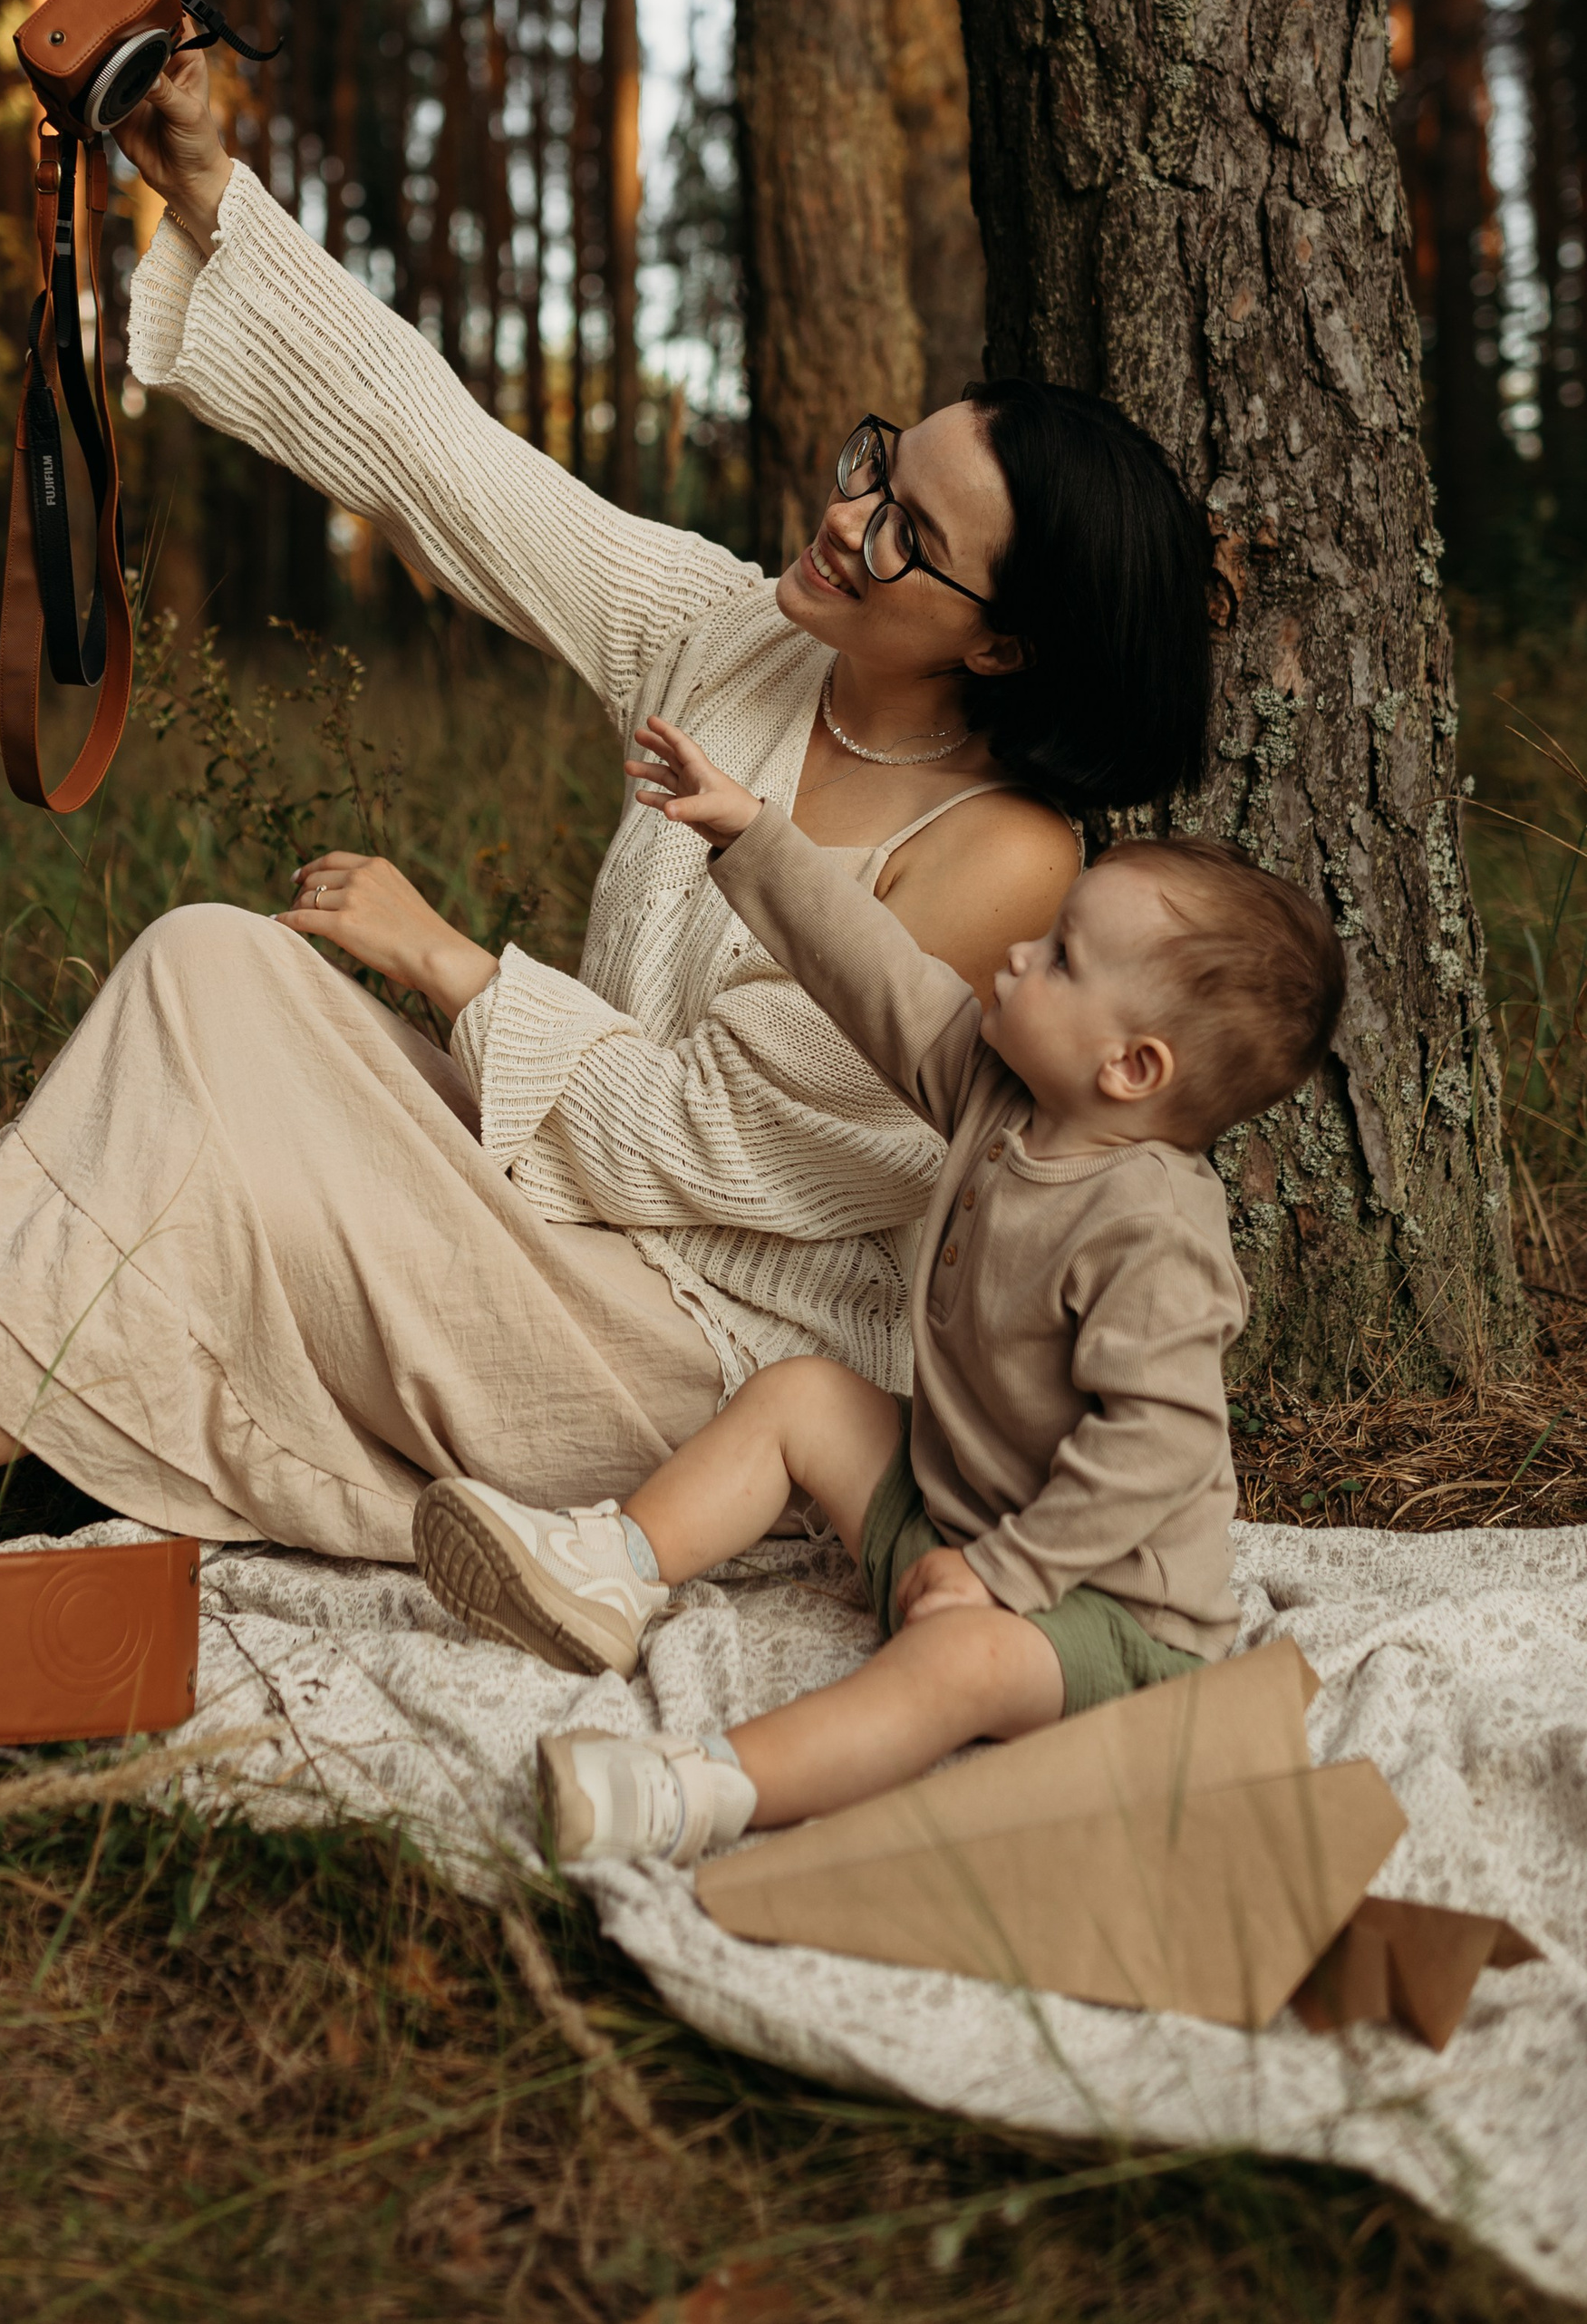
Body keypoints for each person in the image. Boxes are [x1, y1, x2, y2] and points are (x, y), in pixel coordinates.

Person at [0, 50, 1220, 1593]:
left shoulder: (1005, 865)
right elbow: (450, 459)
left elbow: (727, 1152)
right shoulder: (729, 635)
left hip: (701, 1367)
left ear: (1006, 638)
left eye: (909, 530)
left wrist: (447, 965)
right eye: (879, 460)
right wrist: (212, 195)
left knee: (235, 1089)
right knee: (206, 969)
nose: (848, 515)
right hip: (561, 1218)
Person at [411, 714, 1346, 1869]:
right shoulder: (999, 1093)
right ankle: (611, 1570)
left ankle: (694, 1792)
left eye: (1058, 956)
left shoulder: (1153, 1232)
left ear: (1131, 1066)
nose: (1014, 954)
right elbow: (877, 976)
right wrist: (753, 834)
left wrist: (1003, 1579)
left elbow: (1154, 1446)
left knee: (960, 1664)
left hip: (1106, 1622)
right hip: (953, 1521)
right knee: (804, 1394)